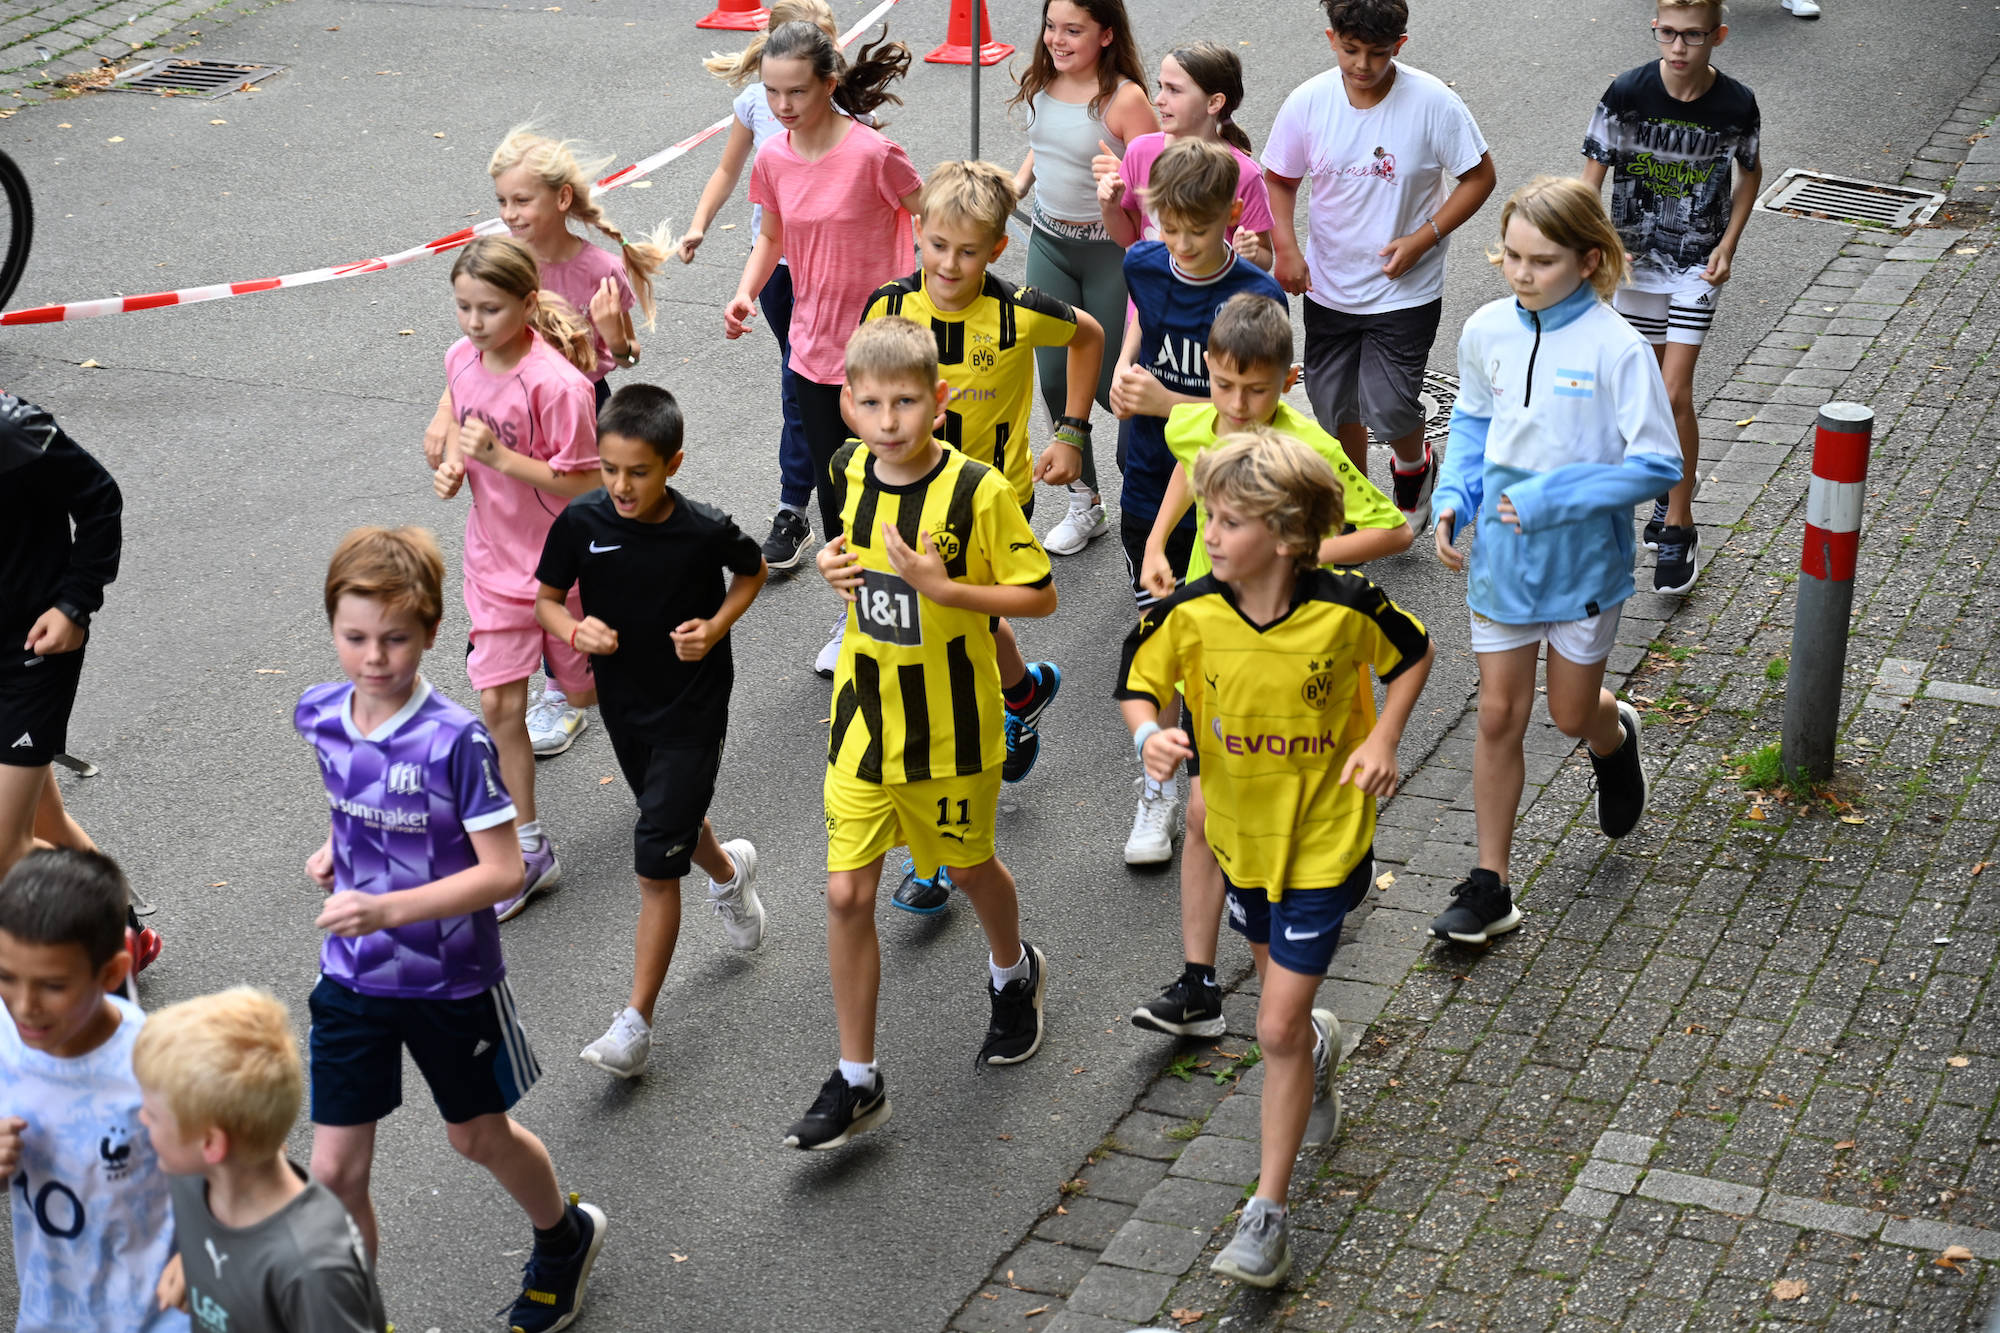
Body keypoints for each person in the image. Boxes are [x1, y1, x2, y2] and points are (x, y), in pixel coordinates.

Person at [1117, 431, 1433, 1287]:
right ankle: (1317, 1050)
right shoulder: (1191, 611)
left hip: (1324, 841)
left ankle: (1267, 1216)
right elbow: (1139, 681)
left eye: (1228, 521)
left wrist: (1383, 737)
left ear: (1289, 534)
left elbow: (1413, 655)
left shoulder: (1347, 605)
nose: (1210, 535)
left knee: (1273, 1025)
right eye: (1208, 517)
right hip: (1240, 843)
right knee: (1288, 1022)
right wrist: (1149, 736)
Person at [296, 527, 605, 1332]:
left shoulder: (455, 739)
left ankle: (564, 1236)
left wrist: (385, 907)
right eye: (355, 636)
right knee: (334, 1171)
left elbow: (502, 869)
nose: (373, 657)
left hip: (450, 978)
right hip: (352, 973)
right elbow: (356, 801)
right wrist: (338, 848)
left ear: (431, 631)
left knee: (476, 1136)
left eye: (395, 638)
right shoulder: (321, 714)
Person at [786, 318, 1058, 1150]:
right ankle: (858, 1077)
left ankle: (1015, 971)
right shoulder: (847, 468)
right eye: (871, 403)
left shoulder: (978, 490)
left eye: (905, 401)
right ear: (849, 404)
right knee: (846, 894)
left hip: (953, 730)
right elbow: (852, 561)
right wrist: (831, 568)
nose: (888, 419)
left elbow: (1039, 594)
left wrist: (950, 590)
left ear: (938, 401)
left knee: (970, 870)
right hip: (865, 722)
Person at [1130, 292, 1410, 1036]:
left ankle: (1305, 935)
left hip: (1295, 651)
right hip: (1212, 646)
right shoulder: (1198, 421)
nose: (1237, 405)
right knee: (1203, 812)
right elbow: (1192, 469)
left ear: (1286, 382)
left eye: (1255, 391)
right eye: (1224, 385)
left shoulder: (1306, 446)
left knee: (1238, 808)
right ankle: (1200, 982)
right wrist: (1157, 543)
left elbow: (1391, 532)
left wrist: (1298, 553)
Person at [1429, 177, 1681, 945]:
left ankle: (1614, 734)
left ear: (1589, 260)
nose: (1521, 273)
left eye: (1541, 261)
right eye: (1511, 256)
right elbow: (1473, 421)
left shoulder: (1618, 348)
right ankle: (1491, 884)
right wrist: (1454, 496)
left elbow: (1658, 464)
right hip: (1503, 561)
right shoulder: (1485, 330)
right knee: (1500, 712)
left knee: (1570, 713)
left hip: (1584, 566)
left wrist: (1553, 497)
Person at [859, 159, 1103, 911]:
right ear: (918, 234)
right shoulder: (889, 305)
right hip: (910, 499)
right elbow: (857, 389)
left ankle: (939, 849)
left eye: (968, 251)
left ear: (998, 249)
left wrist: (1071, 430)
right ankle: (1022, 694)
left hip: (991, 505)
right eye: (937, 245)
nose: (948, 264)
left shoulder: (1018, 311)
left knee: (952, 643)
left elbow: (1090, 336)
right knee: (947, 637)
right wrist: (870, 446)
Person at [534, 385, 771, 1079]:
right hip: (625, 705)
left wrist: (715, 627)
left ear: (673, 463)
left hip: (694, 708)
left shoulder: (702, 527)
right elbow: (546, 601)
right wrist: (574, 630)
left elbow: (752, 569)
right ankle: (728, 873)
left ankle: (634, 1024)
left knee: (653, 864)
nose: (621, 485)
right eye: (610, 469)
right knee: (668, 818)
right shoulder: (582, 521)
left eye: (638, 471)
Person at [455, 128, 669, 759]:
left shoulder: (598, 269)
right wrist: (446, 420)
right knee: (520, 532)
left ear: (562, 199)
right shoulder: (503, 257)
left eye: (521, 200)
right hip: (511, 413)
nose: (509, 214)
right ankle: (520, 647)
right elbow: (470, 349)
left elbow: (626, 355)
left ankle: (569, 680)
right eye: (502, 201)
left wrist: (613, 335)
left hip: (579, 414)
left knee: (577, 543)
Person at [722, 18, 923, 675]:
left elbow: (930, 214)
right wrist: (746, 292)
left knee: (897, 485)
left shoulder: (873, 154)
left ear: (828, 84)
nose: (782, 106)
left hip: (884, 354)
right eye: (772, 92)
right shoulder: (773, 157)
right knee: (838, 495)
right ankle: (858, 615)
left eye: (796, 92)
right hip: (812, 351)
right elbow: (771, 238)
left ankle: (918, 603)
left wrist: (938, 297)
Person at [1108, 137, 1284, 867]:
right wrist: (1125, 367)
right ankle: (1159, 789)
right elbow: (1143, 319)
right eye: (1168, 226)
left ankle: (1228, 779)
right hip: (1150, 478)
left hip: (1227, 495)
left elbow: (1252, 412)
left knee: (1222, 647)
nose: (1180, 244)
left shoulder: (1257, 297)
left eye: (1197, 230)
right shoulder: (1142, 263)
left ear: (1232, 215)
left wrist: (1165, 400)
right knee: (1162, 641)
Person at [1263, 0, 1497, 530]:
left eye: (1378, 52)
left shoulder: (1433, 102)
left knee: (1388, 405)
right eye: (1350, 50)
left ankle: (1414, 466)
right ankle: (1359, 499)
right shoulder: (1309, 101)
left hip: (1406, 288)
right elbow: (1279, 178)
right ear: (1331, 39)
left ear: (1400, 45)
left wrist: (1423, 238)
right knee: (1332, 404)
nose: (1363, 65)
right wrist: (1287, 249)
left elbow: (1479, 176)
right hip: (1329, 283)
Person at [429, 236, 604, 920]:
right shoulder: (460, 358)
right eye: (464, 307)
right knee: (500, 708)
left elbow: (588, 485)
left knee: (588, 693)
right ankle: (528, 849)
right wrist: (455, 464)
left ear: (528, 305)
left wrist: (501, 459)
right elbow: (461, 423)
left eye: (490, 309)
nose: (474, 323)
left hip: (565, 572)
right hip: (493, 564)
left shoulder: (557, 385)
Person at [1582, 0, 1762, 594]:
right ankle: (1667, 487)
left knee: (1673, 391)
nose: (1679, 48)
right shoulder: (1627, 93)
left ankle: (1679, 525)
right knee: (1645, 390)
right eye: (1667, 33)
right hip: (1635, 266)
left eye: (1693, 36)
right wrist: (1605, 244)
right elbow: (1590, 179)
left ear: (1719, 35)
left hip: (1695, 266)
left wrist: (1728, 245)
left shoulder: (1736, 103)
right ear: (1655, 28)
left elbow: (1749, 173)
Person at [682, 0, 865, 576]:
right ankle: (795, 508)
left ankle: (867, 490)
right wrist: (699, 224)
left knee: (848, 387)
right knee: (799, 382)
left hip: (835, 271)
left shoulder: (845, 114)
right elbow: (727, 170)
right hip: (780, 272)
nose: (786, 102)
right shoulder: (757, 108)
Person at [0, 848, 184, 1332]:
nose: (24, 1006)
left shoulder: (161, 1065)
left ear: (112, 973)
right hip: (50, 1315)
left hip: (157, 1317)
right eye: (6, 977)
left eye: (52, 986)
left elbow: (245, 1170)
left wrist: (205, 1254)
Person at [133, 987, 388, 1333]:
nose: (141, 1120)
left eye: (152, 1115)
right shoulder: (197, 1176)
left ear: (211, 1143)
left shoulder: (313, 1270)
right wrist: (191, 1261)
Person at [1007, 0, 1157, 557]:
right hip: (1049, 243)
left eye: (1073, 30)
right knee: (1052, 377)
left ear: (1106, 35)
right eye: (1051, 26)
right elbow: (1044, 145)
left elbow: (1160, 185)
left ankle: (1154, 493)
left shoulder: (1126, 99)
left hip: (1110, 253)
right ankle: (1085, 501)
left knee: (1107, 385)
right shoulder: (1042, 78)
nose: (1057, 39)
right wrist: (1015, 186)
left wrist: (1123, 180)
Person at [1093, 41, 1274, 269]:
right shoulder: (1140, 151)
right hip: (1152, 289)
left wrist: (1249, 254)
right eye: (1160, 86)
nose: (1159, 99)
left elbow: (1265, 258)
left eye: (1174, 90)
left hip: (1213, 290)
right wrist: (1109, 206)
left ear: (1214, 102)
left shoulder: (1243, 173)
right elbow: (1127, 237)